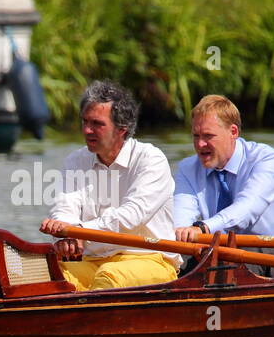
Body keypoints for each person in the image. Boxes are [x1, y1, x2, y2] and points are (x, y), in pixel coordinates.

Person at [40, 81, 178, 290]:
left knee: (109, 277)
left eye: (97, 124)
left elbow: (130, 216)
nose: (87, 130)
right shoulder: (74, 161)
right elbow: (65, 207)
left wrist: (78, 231)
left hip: (150, 258)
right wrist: (66, 233)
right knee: (48, 276)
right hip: (95, 261)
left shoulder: (151, 159)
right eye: (85, 122)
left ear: (121, 129)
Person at [172, 95, 274, 271]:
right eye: (196, 136)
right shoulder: (187, 168)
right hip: (228, 252)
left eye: (208, 136)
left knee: (227, 264)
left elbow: (246, 209)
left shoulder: (266, 159)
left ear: (233, 132)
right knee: (177, 261)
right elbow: (179, 220)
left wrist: (203, 228)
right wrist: (181, 235)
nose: (199, 144)